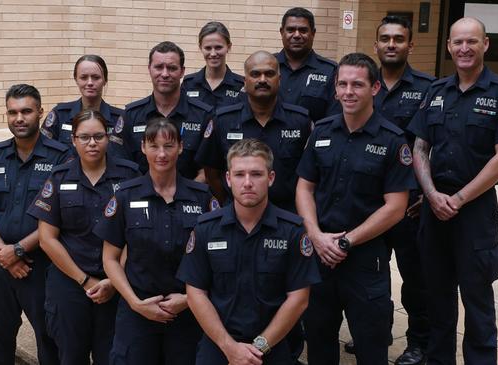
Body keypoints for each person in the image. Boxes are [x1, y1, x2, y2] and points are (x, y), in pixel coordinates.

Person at [407, 17, 498, 365]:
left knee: (477, 301)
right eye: (457, 42)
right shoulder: (436, 91)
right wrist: (431, 195)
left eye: (471, 42)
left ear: (485, 44)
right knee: (438, 298)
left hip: (474, 211)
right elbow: (419, 148)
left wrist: (457, 199)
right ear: (448, 46)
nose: (464, 48)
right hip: (435, 208)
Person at [296, 53, 415, 365]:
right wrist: (316, 236)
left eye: (357, 84)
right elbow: (304, 187)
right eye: (343, 84)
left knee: (371, 344)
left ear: (375, 88)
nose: (348, 91)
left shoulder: (392, 140)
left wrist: (347, 240)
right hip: (320, 257)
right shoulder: (321, 132)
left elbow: (396, 206)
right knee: (319, 341)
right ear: (335, 89)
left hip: (365, 259)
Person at [178, 139, 320, 365]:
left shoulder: (292, 231)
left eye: (256, 174)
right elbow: (195, 293)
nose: (247, 183)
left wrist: (258, 348)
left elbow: (299, 299)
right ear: (227, 179)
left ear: (270, 178)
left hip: (271, 348)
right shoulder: (206, 228)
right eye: (239, 174)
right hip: (218, 347)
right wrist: (230, 347)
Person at [95, 118, 215, 364]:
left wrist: (190, 300)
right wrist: (135, 303)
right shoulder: (126, 195)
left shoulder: (202, 197)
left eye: (169, 146)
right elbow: (109, 259)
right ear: (143, 147)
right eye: (154, 146)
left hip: (187, 311)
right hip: (137, 311)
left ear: (181, 147)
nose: (161, 154)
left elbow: (213, 259)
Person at [27, 110, 138, 364]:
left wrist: (113, 280)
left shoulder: (130, 175)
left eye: (98, 136)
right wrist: (84, 280)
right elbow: (47, 239)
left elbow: (135, 236)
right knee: (71, 356)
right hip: (70, 285)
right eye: (84, 137)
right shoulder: (59, 177)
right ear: (73, 140)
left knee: (113, 357)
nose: (92, 143)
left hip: (118, 285)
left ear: (108, 138)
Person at [0, 84, 67, 364]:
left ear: (40, 113)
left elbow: (61, 217)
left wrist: (19, 250)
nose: (19, 118)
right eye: (12, 112)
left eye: (26, 111)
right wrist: (5, 254)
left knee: (50, 340)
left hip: (43, 266)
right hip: (0, 267)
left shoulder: (61, 157)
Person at [369, 15, 435, 365]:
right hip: (369, 205)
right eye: (385, 38)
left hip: (411, 206)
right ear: (375, 44)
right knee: (372, 277)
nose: (391, 44)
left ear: (411, 45)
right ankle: (375, 334)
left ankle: (419, 343)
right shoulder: (364, 83)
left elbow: (437, 144)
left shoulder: (428, 87)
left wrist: (427, 192)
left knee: (415, 279)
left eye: (398, 39)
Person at [196, 50, 312, 213]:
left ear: (279, 80)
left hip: (287, 218)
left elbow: (309, 174)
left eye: (269, 74)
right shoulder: (223, 120)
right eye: (255, 74)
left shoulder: (300, 121)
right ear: (245, 81)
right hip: (238, 217)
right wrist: (231, 201)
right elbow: (212, 172)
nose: (262, 80)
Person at [114, 41, 214, 180]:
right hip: (140, 198)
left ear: (182, 72)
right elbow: (120, 163)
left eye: (172, 68)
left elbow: (208, 169)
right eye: (159, 67)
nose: (165, 74)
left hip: (189, 199)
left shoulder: (203, 115)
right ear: (149, 69)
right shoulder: (131, 115)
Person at [40, 55, 126, 158]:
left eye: (96, 77)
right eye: (84, 77)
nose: (90, 83)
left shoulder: (120, 119)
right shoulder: (60, 114)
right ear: (76, 79)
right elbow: (43, 151)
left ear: (105, 80)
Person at [276, 7, 340, 122]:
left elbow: (333, 119)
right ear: (282, 32)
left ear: (313, 33)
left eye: (303, 30)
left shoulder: (330, 71)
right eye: (290, 30)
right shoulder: (266, 67)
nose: (296, 35)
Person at [182, 21, 245, 109]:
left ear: (229, 47)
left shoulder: (241, 85)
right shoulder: (189, 84)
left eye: (218, 47)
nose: (213, 53)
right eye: (208, 48)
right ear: (200, 48)